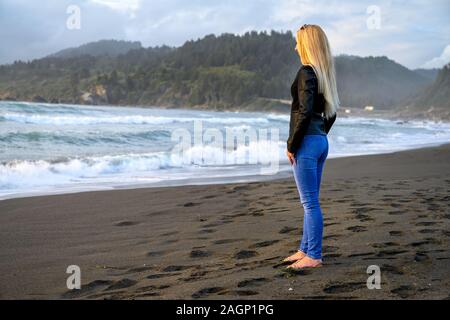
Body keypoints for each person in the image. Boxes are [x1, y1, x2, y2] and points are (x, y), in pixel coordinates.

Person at [283, 24, 339, 270]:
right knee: (311, 201)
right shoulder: (322, 73)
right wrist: (318, 136)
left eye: (298, 42)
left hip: (307, 143)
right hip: (320, 142)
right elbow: (331, 114)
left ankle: (314, 255)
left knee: (310, 204)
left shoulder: (306, 72)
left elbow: (304, 111)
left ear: (306, 44)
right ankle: (304, 249)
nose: (295, 47)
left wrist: (292, 145)